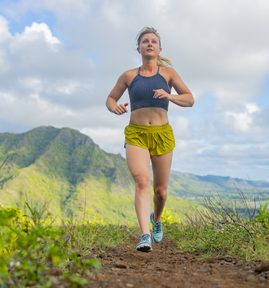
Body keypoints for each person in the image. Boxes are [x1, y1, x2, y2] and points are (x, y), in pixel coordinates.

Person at [106, 27, 194, 252]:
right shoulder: (128, 75)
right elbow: (110, 98)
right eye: (145, 41)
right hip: (136, 134)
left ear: (159, 48)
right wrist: (114, 106)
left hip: (162, 134)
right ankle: (144, 235)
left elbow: (190, 99)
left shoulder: (168, 74)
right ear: (139, 48)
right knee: (142, 181)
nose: (149, 44)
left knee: (161, 191)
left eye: (154, 41)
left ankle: (157, 218)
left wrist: (170, 96)